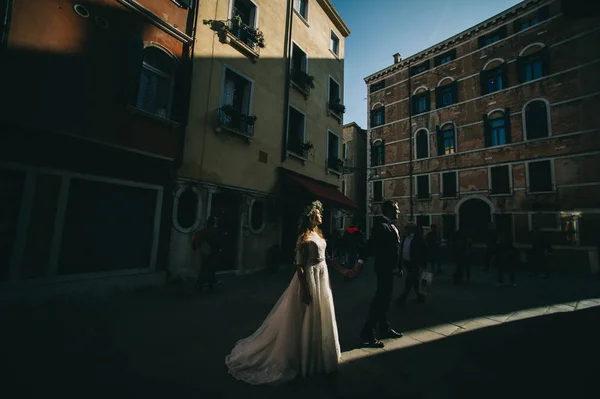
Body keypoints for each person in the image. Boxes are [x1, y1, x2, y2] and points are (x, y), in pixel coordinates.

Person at [225, 200, 352, 385]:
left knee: (321, 314)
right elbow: (299, 266)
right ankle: (304, 358)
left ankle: (319, 355)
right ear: (311, 216)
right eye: (318, 213)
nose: (321, 215)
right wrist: (305, 289)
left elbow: (327, 258)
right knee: (305, 315)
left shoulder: (319, 234)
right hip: (310, 277)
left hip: (322, 277)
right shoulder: (304, 237)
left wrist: (342, 270)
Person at [349, 200, 404, 348]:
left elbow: (395, 249)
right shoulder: (380, 226)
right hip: (384, 269)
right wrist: (360, 262)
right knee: (380, 300)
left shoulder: (391, 226)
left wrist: (398, 266)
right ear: (389, 210)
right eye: (396, 209)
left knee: (385, 300)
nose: (398, 212)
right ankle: (367, 333)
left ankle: (384, 327)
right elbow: (371, 245)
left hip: (390, 269)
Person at [396, 222, 428, 307]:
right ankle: (420, 296)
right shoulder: (406, 238)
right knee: (414, 280)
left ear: (412, 229)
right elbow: (403, 249)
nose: (405, 230)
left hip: (415, 263)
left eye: (407, 228)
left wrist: (423, 263)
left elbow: (424, 250)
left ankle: (402, 298)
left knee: (410, 280)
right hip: (407, 263)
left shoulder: (418, 238)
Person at [193, 216, 222, 292]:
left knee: (207, 268)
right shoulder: (212, 231)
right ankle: (202, 284)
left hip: (204, 252)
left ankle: (208, 284)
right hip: (210, 252)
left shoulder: (204, 231)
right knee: (208, 268)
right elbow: (215, 242)